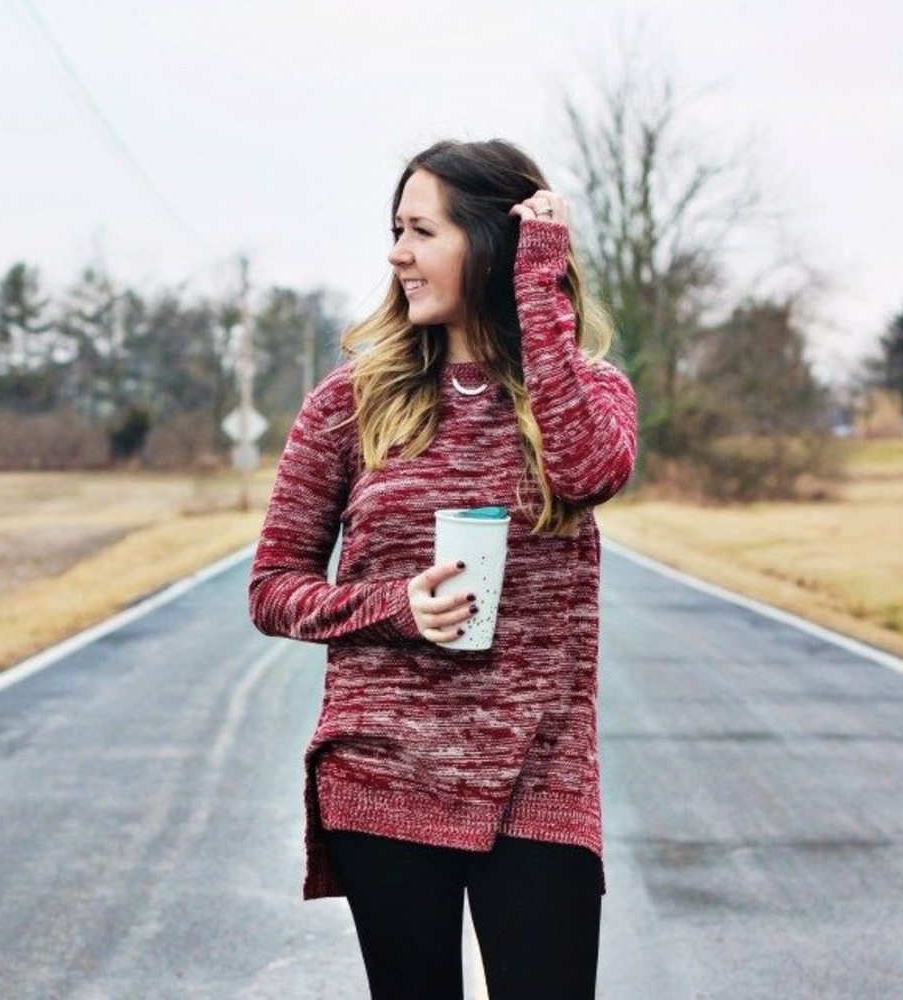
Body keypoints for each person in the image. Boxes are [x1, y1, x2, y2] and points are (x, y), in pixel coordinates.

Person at [248, 138, 637, 1000]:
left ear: (490, 248)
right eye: (396, 229)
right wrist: (394, 606)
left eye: (421, 231)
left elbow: (584, 472)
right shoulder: (350, 401)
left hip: (539, 773)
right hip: (383, 769)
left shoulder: (590, 392)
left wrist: (538, 289)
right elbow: (273, 586)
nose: (396, 254)